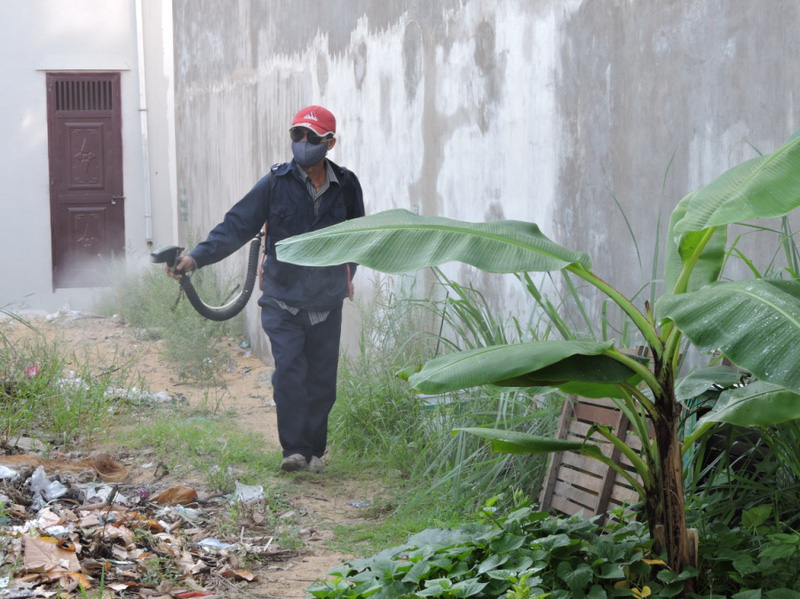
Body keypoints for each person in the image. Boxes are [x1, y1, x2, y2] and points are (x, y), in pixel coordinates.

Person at [168, 105, 365, 472]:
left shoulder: (347, 185)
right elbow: (237, 225)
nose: (303, 143)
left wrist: (347, 274)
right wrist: (194, 259)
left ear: (330, 143)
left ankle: (315, 451)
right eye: (297, 136)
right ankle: (294, 450)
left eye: (312, 137)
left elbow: (359, 236)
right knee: (289, 371)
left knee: (322, 380)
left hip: (326, 300)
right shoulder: (275, 183)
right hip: (282, 298)